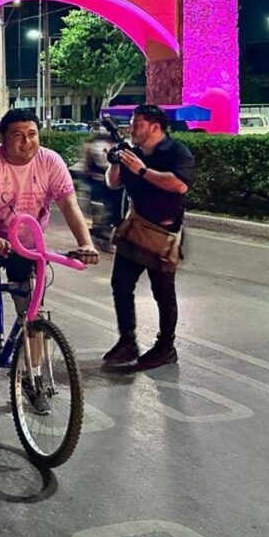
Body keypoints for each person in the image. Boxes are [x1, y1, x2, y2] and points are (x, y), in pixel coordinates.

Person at [0, 109, 98, 359]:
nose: (27, 142)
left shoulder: (51, 162)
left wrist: (85, 244)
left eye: (32, 134)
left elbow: (70, 206)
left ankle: (34, 376)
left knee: (32, 313)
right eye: (18, 135)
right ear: (3, 138)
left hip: (27, 242)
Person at [102, 104, 194, 368]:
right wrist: (116, 163)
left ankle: (166, 346)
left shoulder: (176, 152)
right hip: (135, 229)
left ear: (155, 126)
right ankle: (127, 340)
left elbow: (179, 184)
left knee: (163, 293)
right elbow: (113, 183)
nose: (132, 128)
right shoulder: (133, 152)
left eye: (137, 123)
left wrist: (142, 170)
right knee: (120, 284)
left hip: (162, 234)